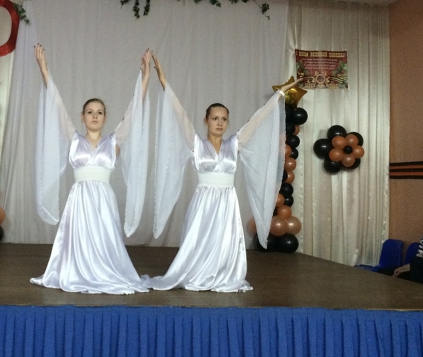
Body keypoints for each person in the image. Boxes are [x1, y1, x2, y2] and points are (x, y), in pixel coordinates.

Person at [142, 54, 298, 292]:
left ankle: (223, 274)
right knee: (200, 240)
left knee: (224, 240)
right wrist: (162, 78)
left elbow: (257, 120)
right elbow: (179, 113)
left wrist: (280, 94)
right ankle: (196, 272)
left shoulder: (234, 144)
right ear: (205, 121)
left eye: (224, 119)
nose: (219, 123)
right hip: (204, 201)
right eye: (215, 118)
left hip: (227, 201)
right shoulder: (196, 143)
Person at [29, 44, 150, 294]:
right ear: (82, 116)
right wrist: (44, 70)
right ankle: (77, 271)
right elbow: (57, 106)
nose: (95, 116)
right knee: (79, 237)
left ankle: (105, 271)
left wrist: (145, 78)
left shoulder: (113, 142)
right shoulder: (74, 139)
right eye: (90, 112)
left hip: (103, 198)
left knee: (104, 238)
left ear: (105, 118)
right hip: (80, 198)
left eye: (99, 112)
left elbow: (133, 113)